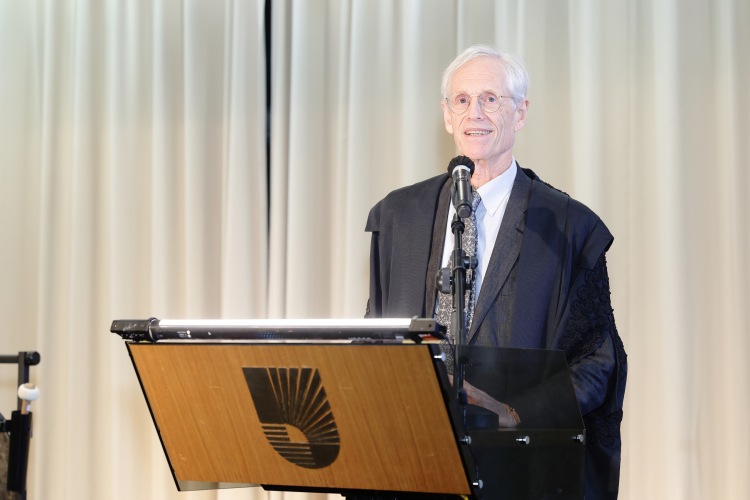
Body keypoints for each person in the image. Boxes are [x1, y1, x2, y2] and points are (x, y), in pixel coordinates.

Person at [364, 45, 627, 499]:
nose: (475, 113)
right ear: (447, 116)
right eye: (462, 100)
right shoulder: (398, 217)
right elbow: (376, 340)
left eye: (491, 98)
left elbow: (596, 365)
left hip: (520, 472)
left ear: (520, 112)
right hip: (416, 466)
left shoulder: (566, 228)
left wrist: (513, 413)